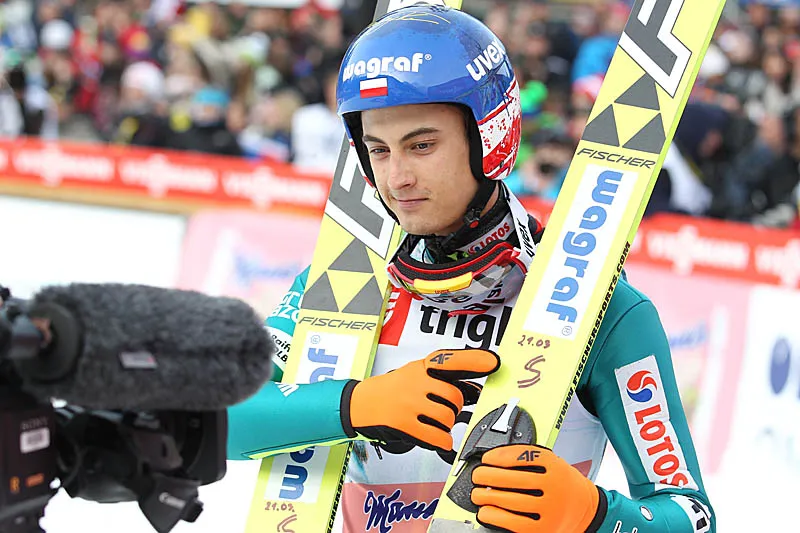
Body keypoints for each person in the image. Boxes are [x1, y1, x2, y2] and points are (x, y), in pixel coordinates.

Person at [227, 5, 715, 532]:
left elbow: (691, 516)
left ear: (490, 137)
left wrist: (593, 515)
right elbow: (212, 414)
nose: (397, 178)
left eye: (421, 145)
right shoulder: (343, 284)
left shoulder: (603, 308)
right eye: (378, 151)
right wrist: (356, 406)